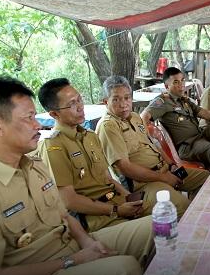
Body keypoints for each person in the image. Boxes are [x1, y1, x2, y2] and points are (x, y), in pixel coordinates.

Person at [0, 77, 154, 275]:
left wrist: (88, 243)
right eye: (29, 117)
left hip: (75, 245)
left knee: (156, 226)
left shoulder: (32, 164)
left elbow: (64, 216)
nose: (37, 125)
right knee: (125, 270)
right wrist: (73, 261)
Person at [37, 78, 145, 232]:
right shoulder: (53, 146)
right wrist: (116, 210)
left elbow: (107, 178)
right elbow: (69, 200)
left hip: (118, 203)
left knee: (167, 214)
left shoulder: (90, 136)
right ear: (54, 114)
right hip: (96, 219)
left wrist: (129, 197)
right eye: (72, 104)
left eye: (79, 99)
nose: (80, 107)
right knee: (159, 229)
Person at [95, 76, 210, 218]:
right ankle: (185, 223)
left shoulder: (135, 117)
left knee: (206, 179)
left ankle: (196, 217)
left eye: (127, 98)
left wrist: (172, 165)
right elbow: (125, 168)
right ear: (106, 102)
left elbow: (153, 145)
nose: (123, 104)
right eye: (116, 99)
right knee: (181, 207)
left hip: (165, 170)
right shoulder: (109, 126)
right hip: (145, 183)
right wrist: (163, 178)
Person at [142, 67, 210, 168]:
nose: (181, 84)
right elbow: (143, 116)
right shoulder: (162, 102)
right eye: (176, 82)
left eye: (182, 80)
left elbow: (205, 113)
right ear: (167, 86)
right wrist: (147, 139)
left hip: (201, 136)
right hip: (189, 146)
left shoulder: (184, 100)